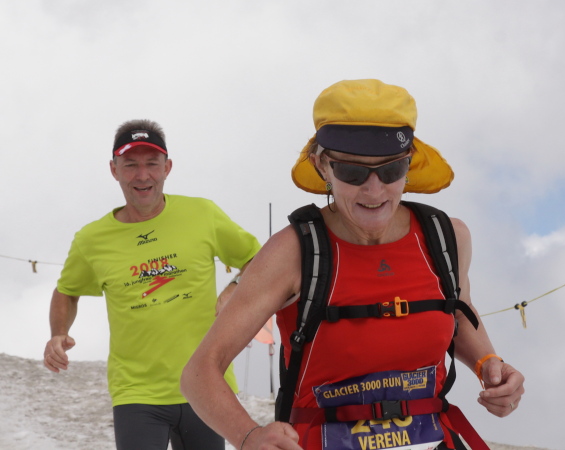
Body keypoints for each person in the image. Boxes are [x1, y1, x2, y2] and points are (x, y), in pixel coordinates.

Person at [180, 79, 525, 450]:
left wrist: (488, 363)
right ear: (322, 166)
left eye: (391, 170)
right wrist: (248, 436)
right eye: (352, 172)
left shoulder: (446, 238)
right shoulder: (293, 252)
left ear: (409, 163)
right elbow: (199, 372)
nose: (374, 190)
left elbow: (457, 312)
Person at [43, 119, 261, 450]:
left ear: (167, 168)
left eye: (152, 164)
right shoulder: (91, 240)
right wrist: (58, 333)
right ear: (114, 170)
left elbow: (259, 259)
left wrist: (236, 286)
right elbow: (66, 291)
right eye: (130, 165)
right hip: (136, 393)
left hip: (205, 383)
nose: (142, 175)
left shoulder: (202, 214)